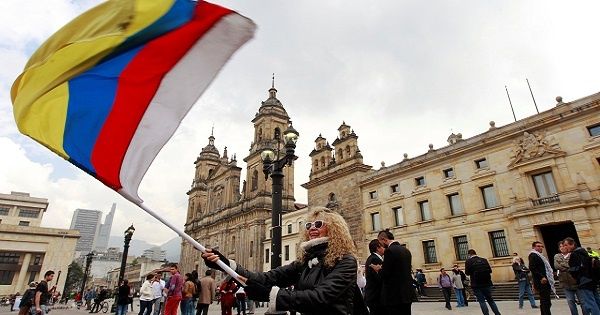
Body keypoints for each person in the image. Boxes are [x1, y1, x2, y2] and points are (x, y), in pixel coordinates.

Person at [202, 207, 359, 315]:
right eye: (308, 225)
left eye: (319, 224)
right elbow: (268, 277)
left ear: (334, 229)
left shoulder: (345, 260)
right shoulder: (304, 261)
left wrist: (270, 295)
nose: (312, 228)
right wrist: (225, 264)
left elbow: (321, 297)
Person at [377, 228, 415, 315]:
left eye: (380, 243)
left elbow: (386, 273)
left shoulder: (390, 251)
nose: (381, 246)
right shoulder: (406, 250)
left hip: (394, 295)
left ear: (384, 239)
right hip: (407, 294)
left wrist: (379, 269)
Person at [565, 237, 600, 315]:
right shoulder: (584, 252)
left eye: (566, 245)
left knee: (590, 303)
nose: (565, 247)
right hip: (592, 279)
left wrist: (575, 276)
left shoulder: (575, 254)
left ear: (572, 244)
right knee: (596, 300)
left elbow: (575, 269)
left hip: (584, 281)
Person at [465, 249, 501, 315]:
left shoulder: (468, 261)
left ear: (469, 255)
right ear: (475, 253)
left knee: (482, 301)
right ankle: (497, 314)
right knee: (490, 300)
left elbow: (467, 273)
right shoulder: (484, 260)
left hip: (476, 284)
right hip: (487, 283)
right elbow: (490, 270)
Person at [554, 240, 585, 315]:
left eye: (563, 246)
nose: (562, 248)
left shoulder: (573, 254)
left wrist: (563, 264)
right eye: (560, 246)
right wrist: (568, 266)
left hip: (576, 281)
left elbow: (573, 265)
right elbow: (556, 266)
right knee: (570, 302)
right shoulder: (557, 256)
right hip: (565, 283)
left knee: (582, 301)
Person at [529, 241, 555, 315]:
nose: (540, 248)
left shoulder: (540, 256)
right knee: (545, 301)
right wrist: (542, 277)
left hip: (545, 280)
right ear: (534, 247)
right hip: (541, 281)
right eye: (538, 246)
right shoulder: (533, 255)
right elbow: (532, 268)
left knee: (546, 301)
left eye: (541, 246)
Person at [364, 239, 384, 315]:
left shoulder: (371, 258)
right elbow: (379, 278)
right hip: (376, 296)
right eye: (382, 246)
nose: (384, 248)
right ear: (378, 248)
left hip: (373, 296)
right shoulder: (375, 259)